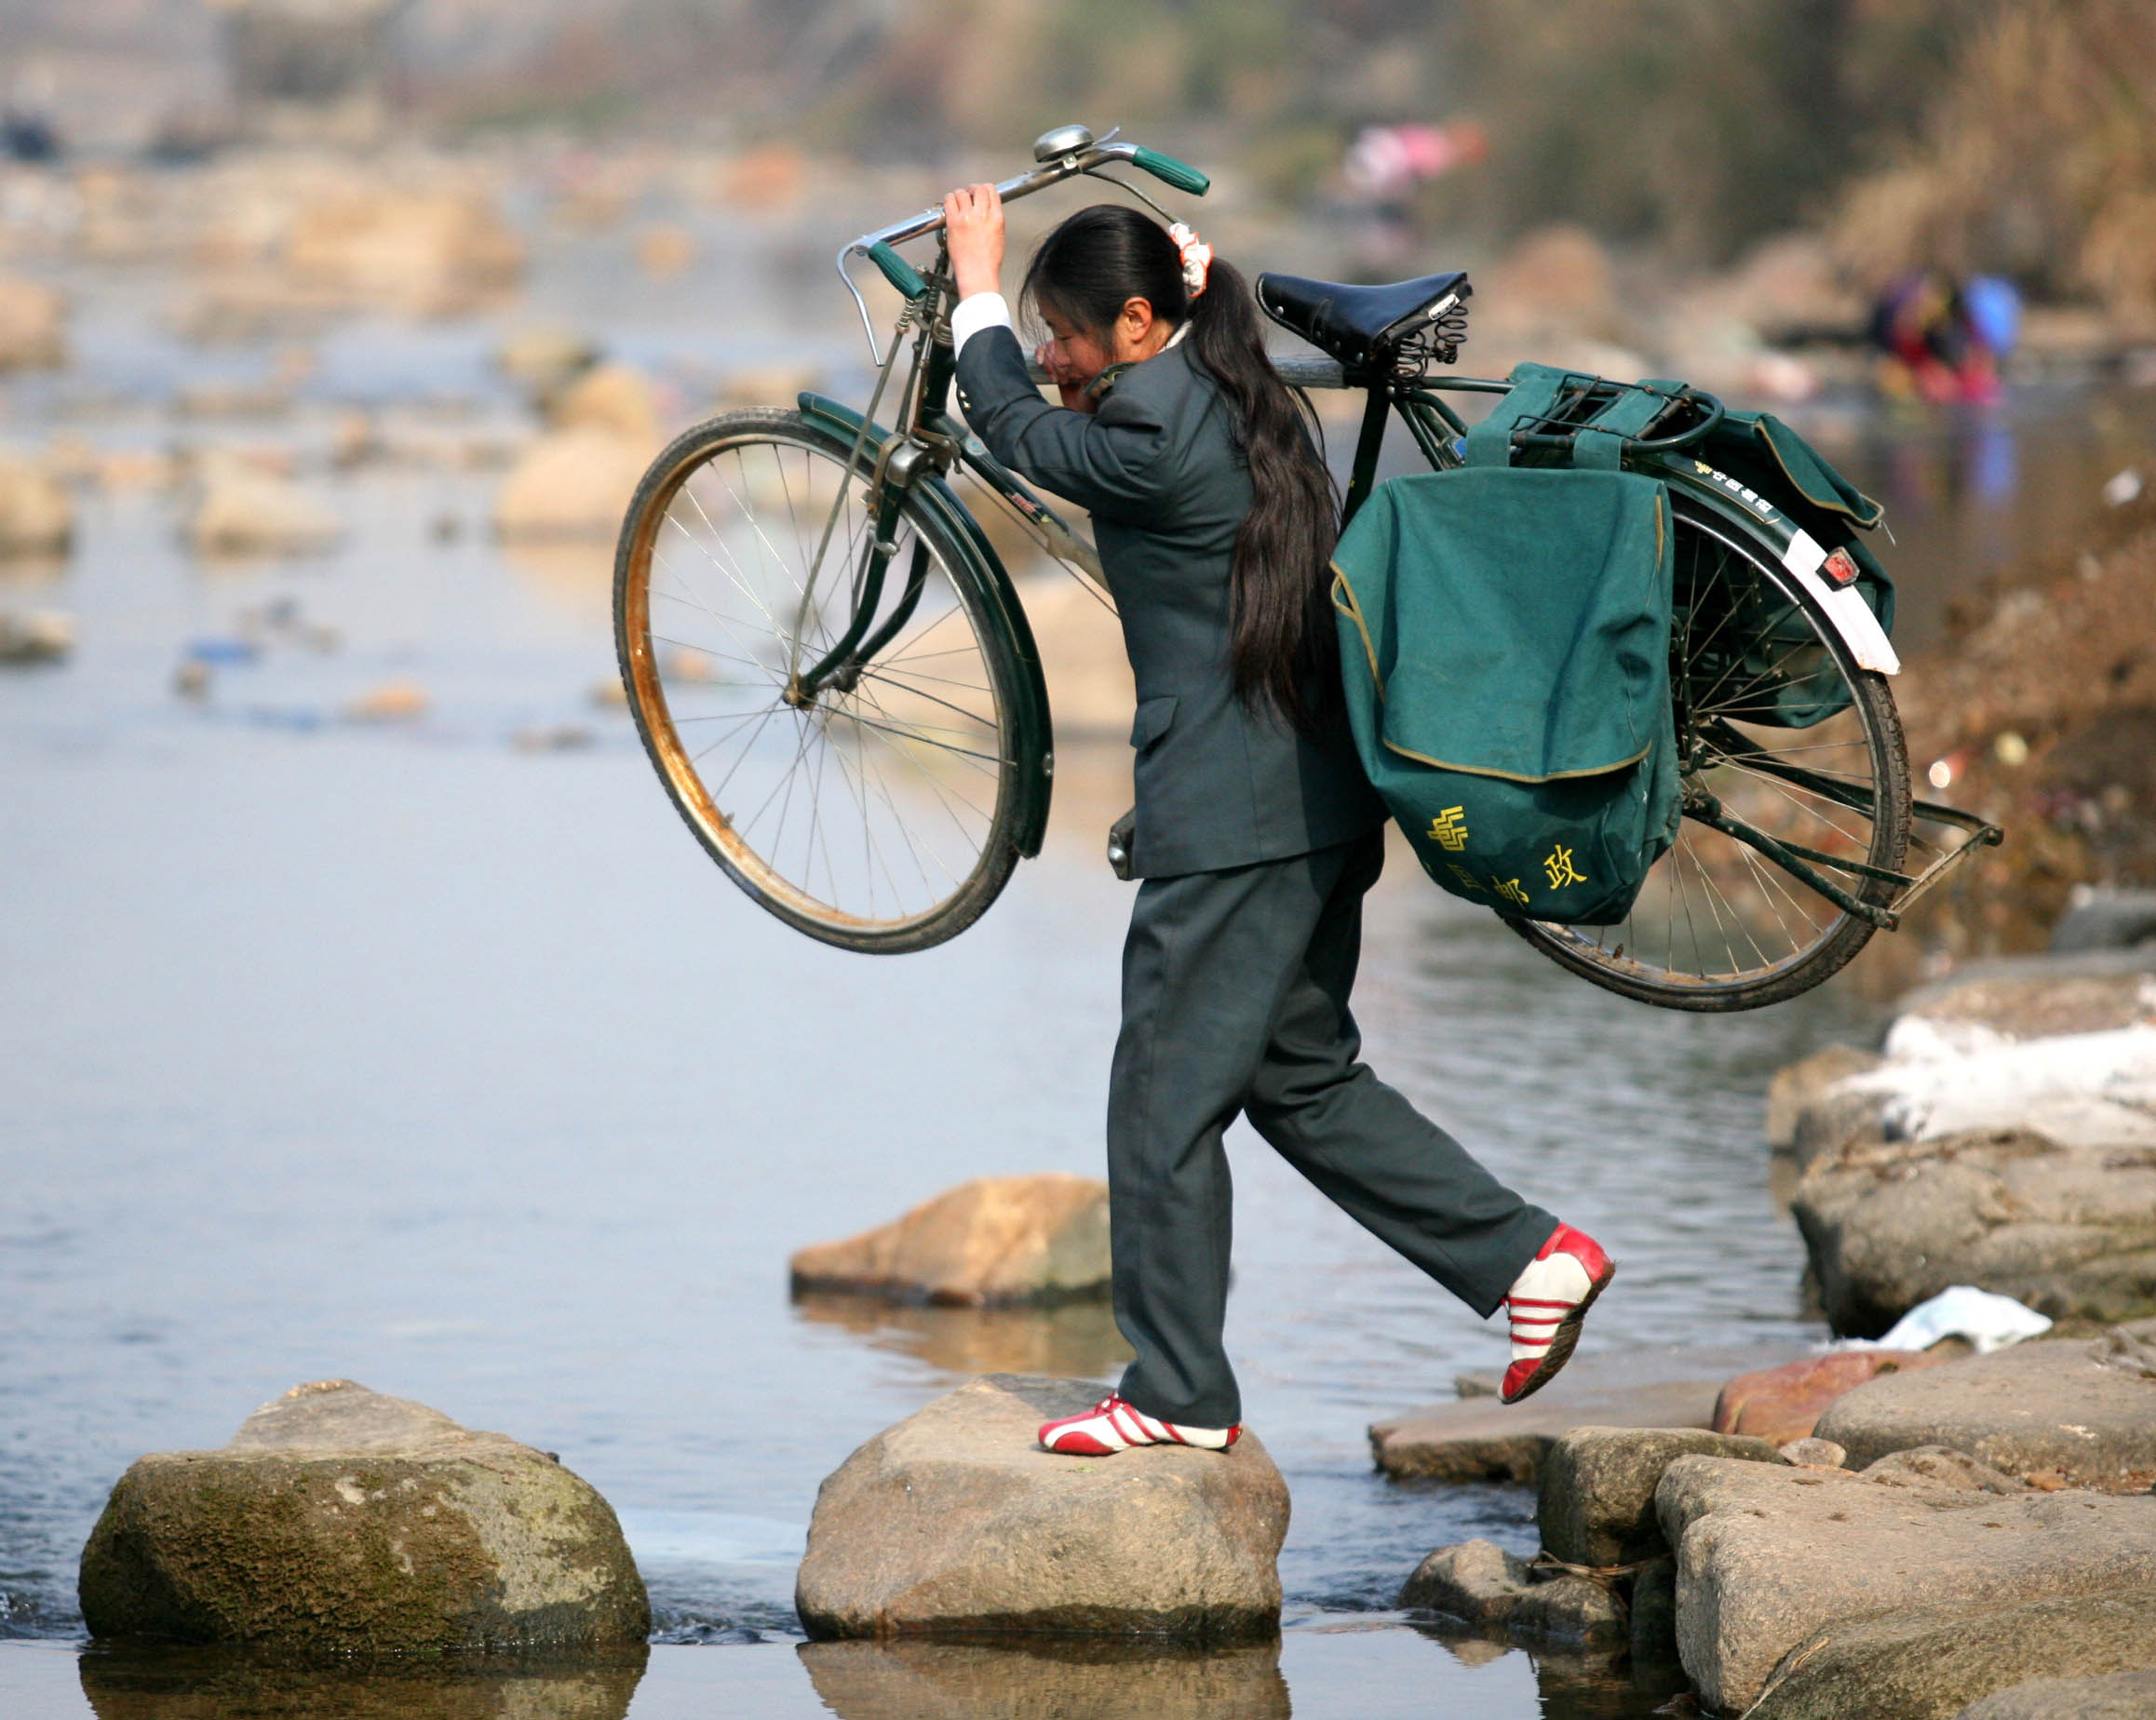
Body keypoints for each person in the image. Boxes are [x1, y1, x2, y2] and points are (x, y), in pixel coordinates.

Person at [940, 183, 1613, 1456]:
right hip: (1313, 797)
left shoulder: (1147, 435)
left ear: (1140, 323)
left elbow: (1016, 429)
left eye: (1068, 335)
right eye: (1041, 331)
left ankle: (1178, 1394)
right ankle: (1533, 1262)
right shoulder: (1236, 386)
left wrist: (977, 283)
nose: (1052, 355)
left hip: (1237, 819)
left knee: (1161, 1099)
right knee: (1298, 1079)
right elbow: (1068, 394)